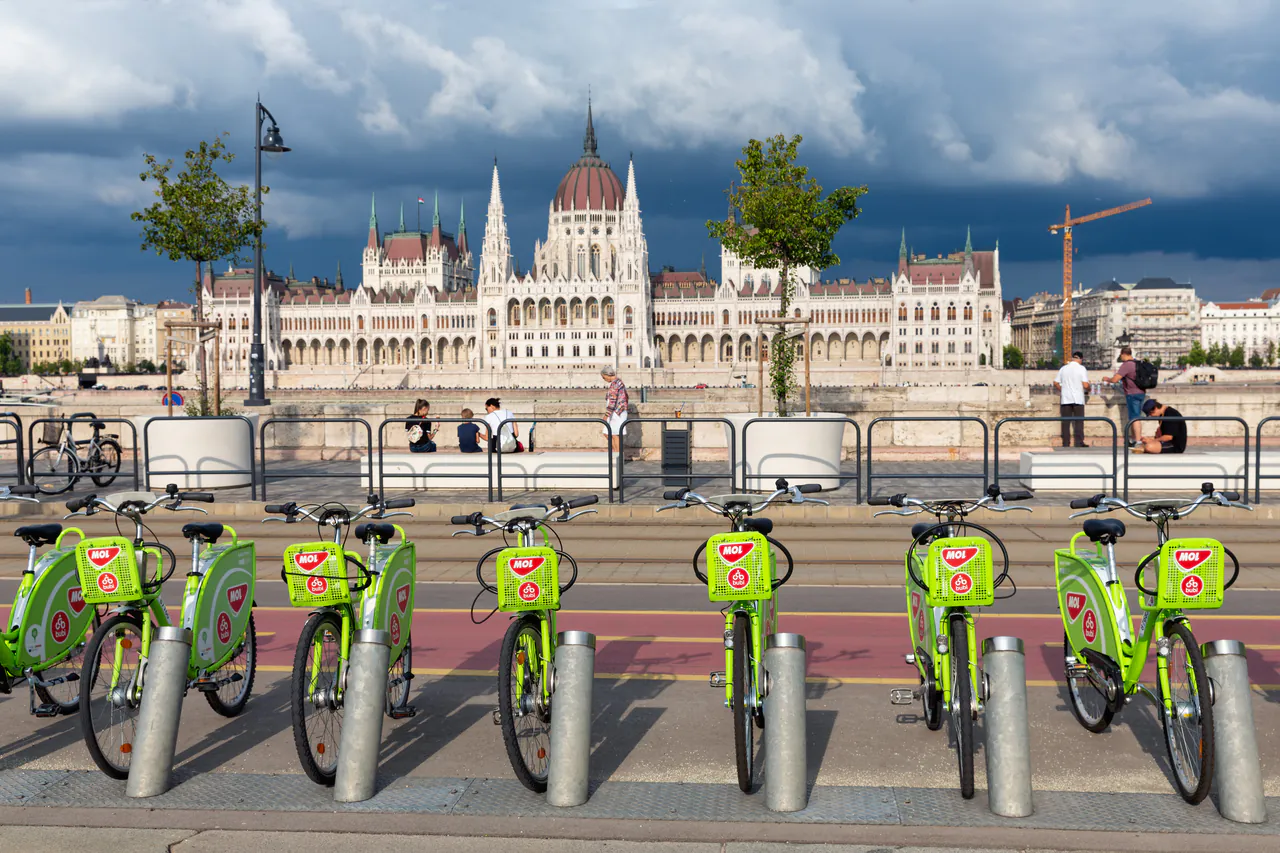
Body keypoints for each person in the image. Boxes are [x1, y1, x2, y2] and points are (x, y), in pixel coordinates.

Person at [1104, 346, 1146, 447]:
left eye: (1121, 356)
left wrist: (1107, 379)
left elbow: (1115, 379)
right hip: (1141, 392)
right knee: (1134, 417)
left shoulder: (1127, 365)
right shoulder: (1137, 363)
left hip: (1132, 394)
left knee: (1135, 418)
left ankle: (1138, 441)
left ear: (1123, 354)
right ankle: (1133, 440)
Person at [1053, 351, 1091, 448]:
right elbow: (1085, 385)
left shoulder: (1064, 368)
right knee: (1079, 421)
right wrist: (1089, 388)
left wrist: (1063, 390)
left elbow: (1056, 382)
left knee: (1066, 422)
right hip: (1078, 399)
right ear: (1080, 359)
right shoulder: (1081, 368)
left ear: (1073, 358)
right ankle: (1079, 442)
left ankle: (1066, 443)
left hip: (1065, 399)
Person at [601, 365, 628, 452]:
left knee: (615, 435)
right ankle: (618, 453)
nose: (604, 379)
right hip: (617, 411)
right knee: (607, 433)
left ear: (607, 374)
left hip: (617, 412)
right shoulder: (619, 382)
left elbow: (612, 401)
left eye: (603, 377)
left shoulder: (615, 384)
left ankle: (618, 456)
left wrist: (606, 415)